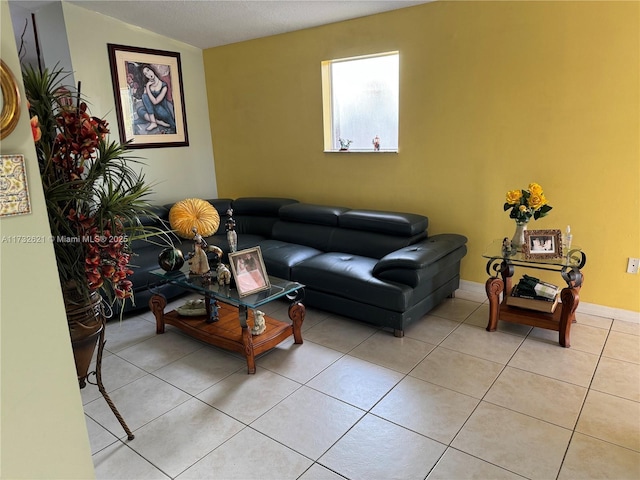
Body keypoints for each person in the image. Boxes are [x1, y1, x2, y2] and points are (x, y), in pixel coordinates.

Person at [136, 64, 176, 133]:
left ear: (152, 70)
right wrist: (147, 86)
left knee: (145, 97)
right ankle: (157, 122)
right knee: (140, 110)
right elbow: (146, 100)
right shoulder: (148, 84)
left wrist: (147, 87)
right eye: (145, 74)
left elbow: (155, 102)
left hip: (161, 111)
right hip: (153, 112)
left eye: (148, 70)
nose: (148, 74)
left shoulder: (164, 86)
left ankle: (153, 122)